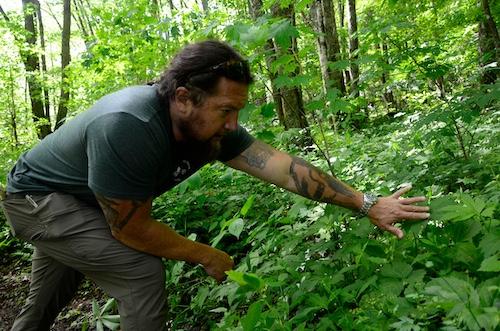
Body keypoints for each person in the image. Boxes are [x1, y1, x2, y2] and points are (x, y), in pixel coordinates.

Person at [1, 40, 430, 331]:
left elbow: (283, 167)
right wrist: (205, 254)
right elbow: (130, 229)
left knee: (52, 292)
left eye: (237, 111)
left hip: (86, 201)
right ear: (184, 97)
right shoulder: (128, 125)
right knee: (140, 273)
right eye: (226, 110)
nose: (234, 124)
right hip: (37, 200)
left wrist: (366, 203)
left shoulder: (212, 129)